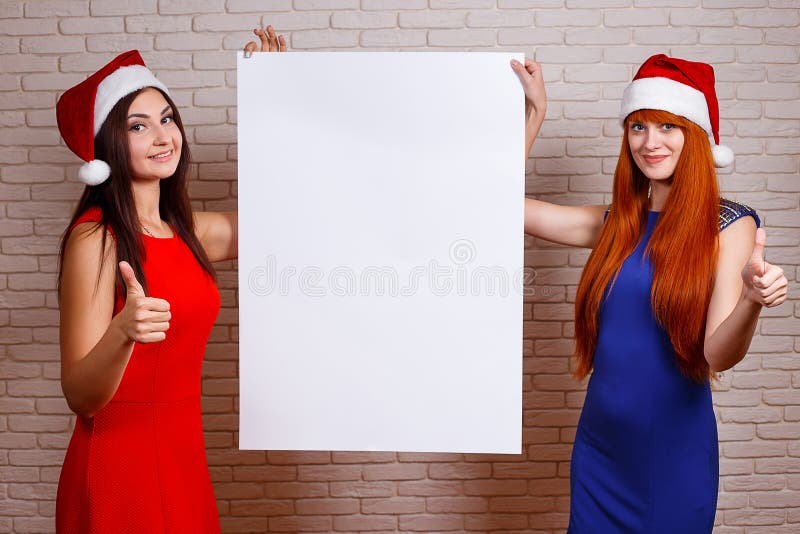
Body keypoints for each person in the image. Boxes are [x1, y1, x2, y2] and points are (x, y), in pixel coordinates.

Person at [511, 55, 788, 532]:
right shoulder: (618, 222)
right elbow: (498, 204)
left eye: (667, 126)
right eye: (638, 126)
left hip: (671, 457)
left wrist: (750, 301)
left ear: (695, 134)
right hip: (599, 449)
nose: (650, 141)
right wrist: (535, 114)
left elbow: (717, 355)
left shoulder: (729, 224)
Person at [55, 26, 285, 532]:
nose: (163, 136)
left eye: (167, 118)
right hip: (118, 464)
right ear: (108, 145)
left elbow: (286, 216)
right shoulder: (96, 238)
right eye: (138, 127)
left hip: (182, 458)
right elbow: (79, 394)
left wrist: (276, 95)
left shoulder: (190, 232)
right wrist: (122, 331)